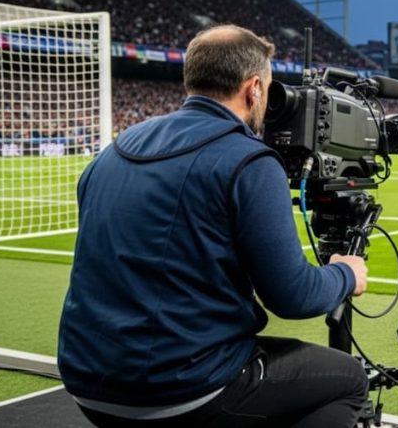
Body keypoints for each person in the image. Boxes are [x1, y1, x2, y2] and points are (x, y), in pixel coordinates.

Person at [57, 25, 370, 427]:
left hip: (89, 383)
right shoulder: (248, 160)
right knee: (349, 379)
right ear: (254, 88)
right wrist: (346, 274)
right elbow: (293, 296)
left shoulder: (115, 149)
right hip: (182, 389)